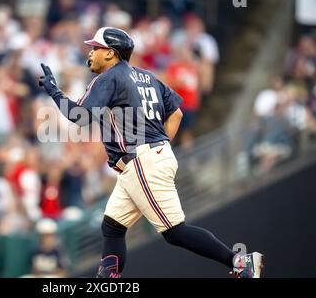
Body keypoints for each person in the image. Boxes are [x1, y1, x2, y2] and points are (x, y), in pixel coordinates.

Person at [38, 27, 264, 278]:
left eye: (96, 48)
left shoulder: (109, 77)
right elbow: (176, 113)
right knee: (112, 227)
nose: (90, 53)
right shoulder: (147, 76)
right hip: (145, 159)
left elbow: (79, 117)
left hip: (141, 161)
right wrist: (159, 145)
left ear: (111, 54)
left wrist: (54, 92)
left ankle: (240, 262)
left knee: (174, 231)